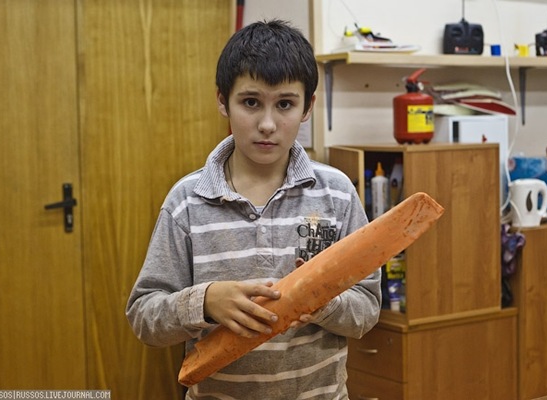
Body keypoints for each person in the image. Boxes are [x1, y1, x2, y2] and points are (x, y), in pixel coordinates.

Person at [126, 19, 381, 399]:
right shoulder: (187, 201)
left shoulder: (338, 193)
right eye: (250, 103)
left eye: (285, 104)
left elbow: (367, 309)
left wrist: (323, 302)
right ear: (222, 101)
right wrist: (205, 302)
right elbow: (145, 317)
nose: (267, 124)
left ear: (308, 107)